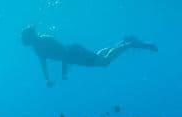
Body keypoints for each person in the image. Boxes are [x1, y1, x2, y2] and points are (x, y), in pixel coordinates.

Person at [20, 26, 156, 85]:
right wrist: (47, 79)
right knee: (98, 57)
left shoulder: (44, 40)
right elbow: (43, 63)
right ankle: (123, 42)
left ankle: (130, 44)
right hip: (73, 54)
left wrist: (63, 71)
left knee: (104, 62)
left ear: (30, 38)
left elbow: (63, 52)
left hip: (74, 53)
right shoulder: (37, 46)